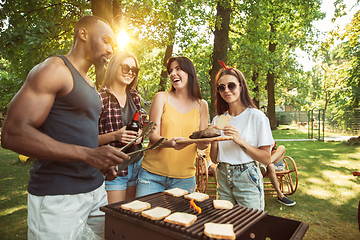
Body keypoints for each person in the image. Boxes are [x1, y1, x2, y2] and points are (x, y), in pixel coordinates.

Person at [0, 16, 130, 239]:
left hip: (95, 191)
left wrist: (100, 163)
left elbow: (79, 137)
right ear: (83, 34)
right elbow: (13, 133)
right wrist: (87, 154)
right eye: (106, 40)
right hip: (58, 196)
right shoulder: (55, 69)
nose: (110, 50)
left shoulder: (90, 83)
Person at [135, 56, 209, 197]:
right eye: (170, 71)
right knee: (143, 217)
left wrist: (205, 143)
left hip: (185, 180)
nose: (173, 74)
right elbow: (152, 136)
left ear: (190, 73)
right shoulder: (161, 97)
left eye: (178, 69)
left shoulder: (202, 105)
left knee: (180, 219)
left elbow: (201, 144)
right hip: (152, 176)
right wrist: (171, 143)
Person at [210, 60, 273, 210]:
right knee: (225, 224)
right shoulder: (219, 119)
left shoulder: (256, 116)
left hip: (247, 176)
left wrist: (240, 141)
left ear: (241, 86)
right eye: (221, 87)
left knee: (250, 226)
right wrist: (213, 139)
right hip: (223, 175)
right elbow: (214, 158)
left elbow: (266, 158)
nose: (227, 90)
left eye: (231, 85)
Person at [98, 51, 144, 204]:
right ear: (114, 67)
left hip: (136, 164)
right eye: (125, 68)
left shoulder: (135, 96)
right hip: (114, 168)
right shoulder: (100, 98)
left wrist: (140, 136)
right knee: (115, 217)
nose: (130, 72)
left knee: (129, 216)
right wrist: (115, 136)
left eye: (134, 70)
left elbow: (142, 128)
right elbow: (86, 140)